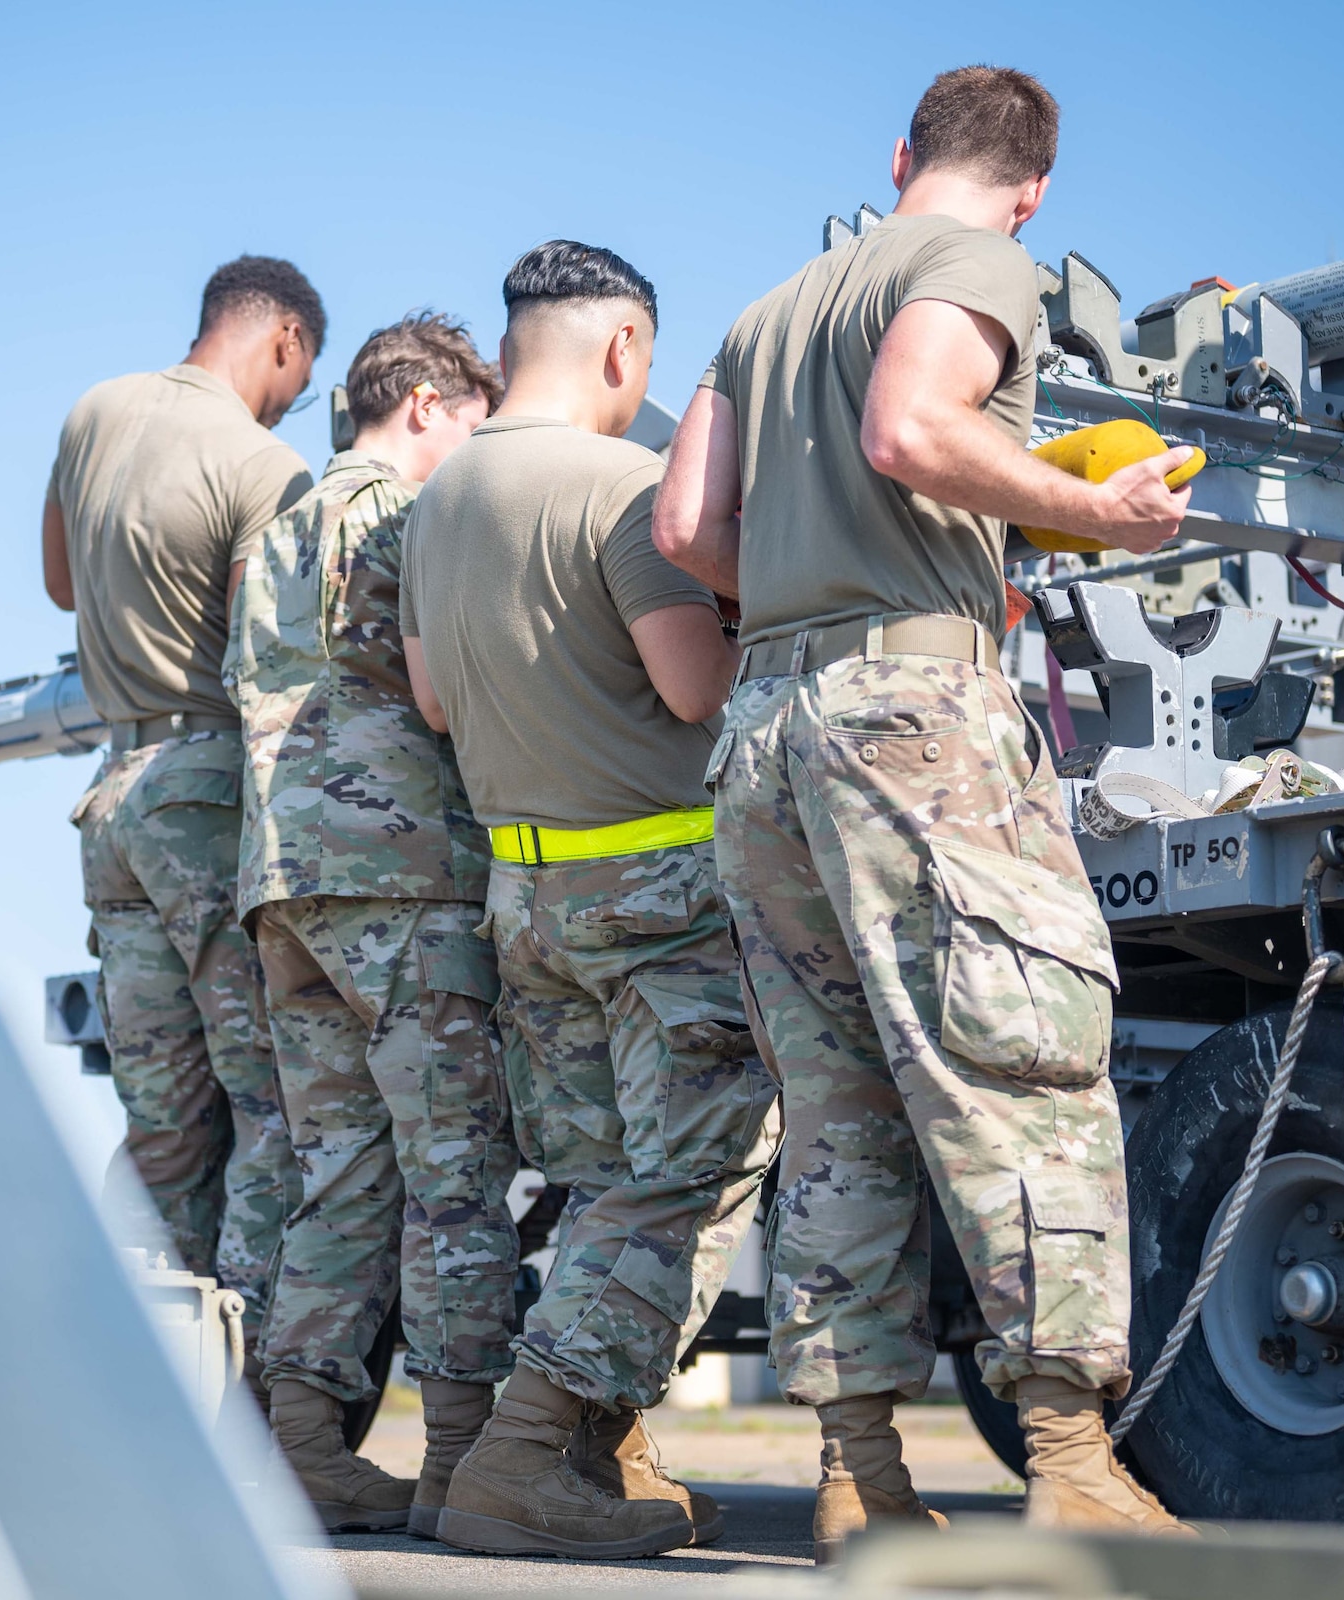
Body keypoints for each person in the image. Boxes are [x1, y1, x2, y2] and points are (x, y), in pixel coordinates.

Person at [652, 67, 1195, 1553]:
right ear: (1035, 189)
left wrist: (810, 595)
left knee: (837, 1113)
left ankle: (860, 1478)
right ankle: (1075, 1467)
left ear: (899, 156)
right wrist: (1102, 509)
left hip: (765, 728)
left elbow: (684, 529)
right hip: (913, 713)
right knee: (1019, 1066)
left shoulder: (768, 313)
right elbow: (908, 426)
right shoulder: (981, 261)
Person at [399, 242, 782, 1560]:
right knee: (689, 1176)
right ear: (622, 348)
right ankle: (519, 1459)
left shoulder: (437, 504)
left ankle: (597, 1457)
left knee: (603, 1181)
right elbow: (693, 692)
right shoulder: (626, 489)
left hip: (526, 889)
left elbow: (438, 705)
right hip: (658, 890)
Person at [223, 313, 516, 1536]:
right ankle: (456, 1457)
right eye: (472, 429)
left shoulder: (275, 525)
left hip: (285, 882)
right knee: (453, 1170)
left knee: (337, 1175)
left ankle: (300, 1445)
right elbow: (441, 689)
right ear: (423, 404)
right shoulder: (403, 514)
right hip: (397, 868)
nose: (474, 456)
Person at [44, 255, 322, 1386]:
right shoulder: (265, 464)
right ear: (285, 345)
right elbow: (276, 655)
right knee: (270, 1108)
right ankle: (250, 1406)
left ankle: (105, 1380)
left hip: (110, 792)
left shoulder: (95, 410)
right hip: (209, 787)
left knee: (160, 1119)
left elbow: (64, 585)